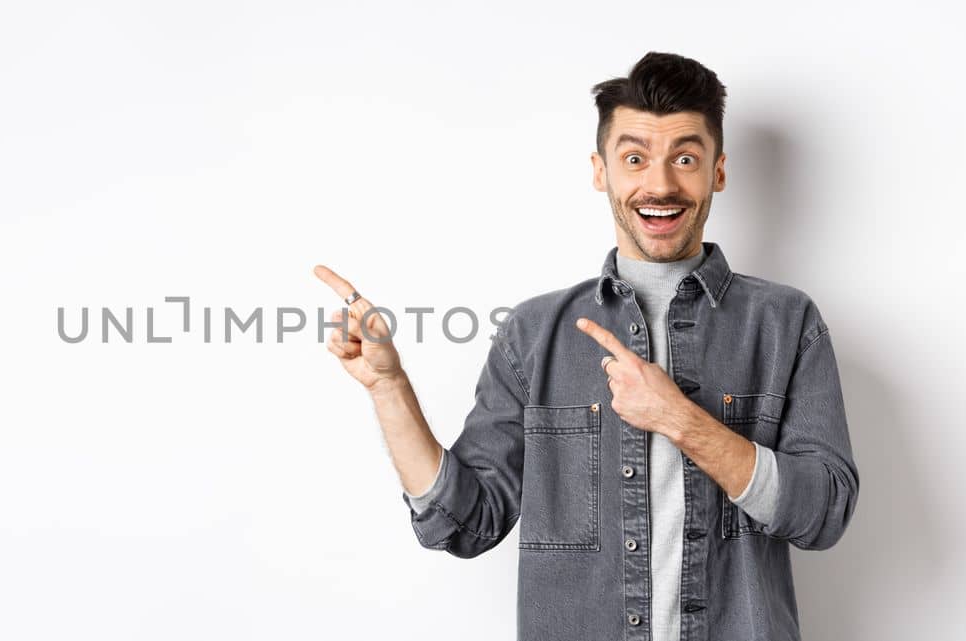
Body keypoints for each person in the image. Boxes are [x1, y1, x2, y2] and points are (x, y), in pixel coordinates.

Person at [313, 51, 859, 641]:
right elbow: (463, 525)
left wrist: (681, 419)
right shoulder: (533, 332)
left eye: (685, 158)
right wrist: (389, 389)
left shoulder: (785, 323)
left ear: (717, 172)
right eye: (634, 158)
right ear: (601, 171)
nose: (660, 184)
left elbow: (823, 513)